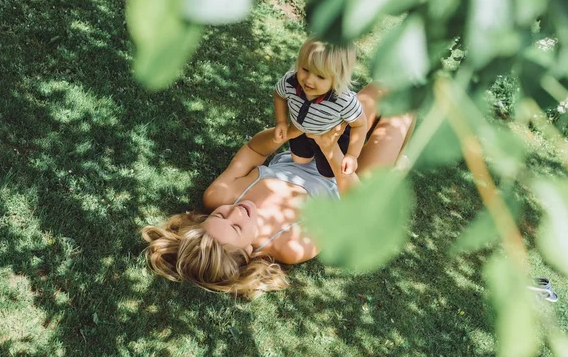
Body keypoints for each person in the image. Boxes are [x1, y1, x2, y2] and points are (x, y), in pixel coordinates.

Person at [141, 83, 415, 299]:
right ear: (248, 252)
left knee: (382, 88)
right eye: (236, 226)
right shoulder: (290, 245)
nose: (234, 212)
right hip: (350, 184)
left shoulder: (220, 195)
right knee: (405, 108)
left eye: (220, 217)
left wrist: (287, 132)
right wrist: (332, 150)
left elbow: (253, 151)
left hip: (307, 153)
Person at [272, 37, 367, 178]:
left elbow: (360, 125)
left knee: (328, 174)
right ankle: (310, 152)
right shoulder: (290, 82)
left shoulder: (343, 100)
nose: (309, 80)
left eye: (320, 76)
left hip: (330, 136)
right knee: (299, 160)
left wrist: (352, 155)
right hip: (301, 130)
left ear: (338, 78)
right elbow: (279, 95)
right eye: (305, 69)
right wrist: (281, 121)